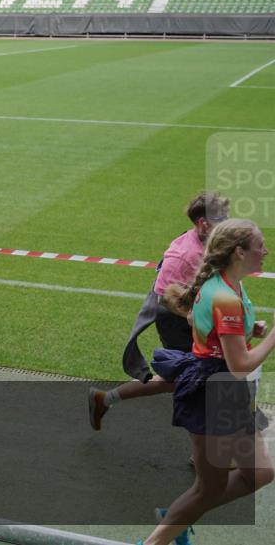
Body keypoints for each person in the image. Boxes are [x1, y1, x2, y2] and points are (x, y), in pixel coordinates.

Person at [135, 218, 274, 545]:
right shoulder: (225, 295)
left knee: (261, 474)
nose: (266, 250)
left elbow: (200, 322)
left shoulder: (227, 282)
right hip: (216, 391)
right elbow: (239, 365)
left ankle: (179, 517)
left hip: (228, 390)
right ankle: (157, 539)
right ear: (239, 252)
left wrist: (243, 331)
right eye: (260, 246)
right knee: (208, 488)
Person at [88, 192, 230, 430]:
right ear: (203, 223)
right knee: (202, 376)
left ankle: (104, 399)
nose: (228, 221)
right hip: (176, 321)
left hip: (192, 317)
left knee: (183, 378)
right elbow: (165, 297)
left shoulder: (208, 241)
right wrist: (198, 320)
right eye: (222, 217)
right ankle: (204, 447)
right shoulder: (185, 255)